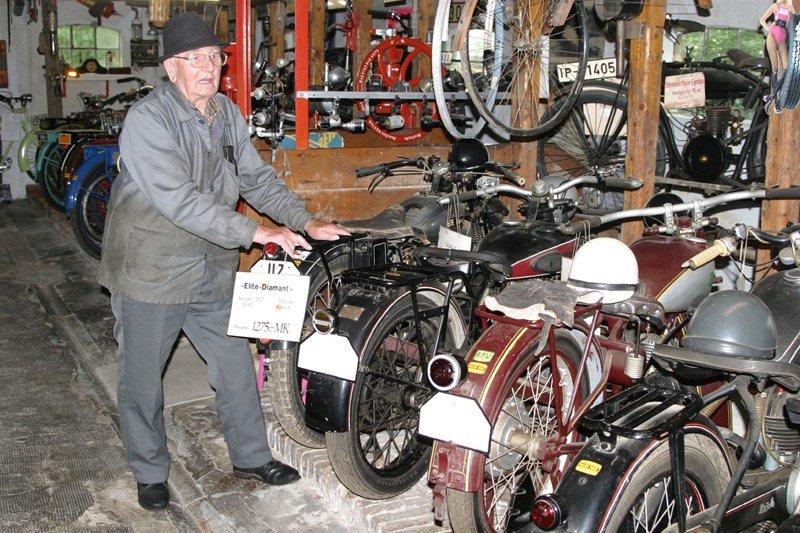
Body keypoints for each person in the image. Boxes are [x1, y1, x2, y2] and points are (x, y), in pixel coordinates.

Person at [97, 12, 350, 511]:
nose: (207, 67)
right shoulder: (148, 121)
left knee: (236, 363)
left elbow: (255, 178)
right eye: (194, 59)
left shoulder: (226, 113)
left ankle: (251, 457)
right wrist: (257, 232)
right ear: (171, 68)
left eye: (214, 56)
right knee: (142, 378)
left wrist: (304, 222)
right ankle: (149, 471)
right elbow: (181, 200)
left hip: (210, 266)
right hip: (151, 269)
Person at [761, 0, 795, 78]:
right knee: (774, 66)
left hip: (783, 35)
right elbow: (762, 19)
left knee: (786, 65)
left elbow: (794, 22)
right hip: (772, 34)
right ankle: (775, 86)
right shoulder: (775, 6)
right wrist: (769, 28)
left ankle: (781, 84)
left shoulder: (790, 8)